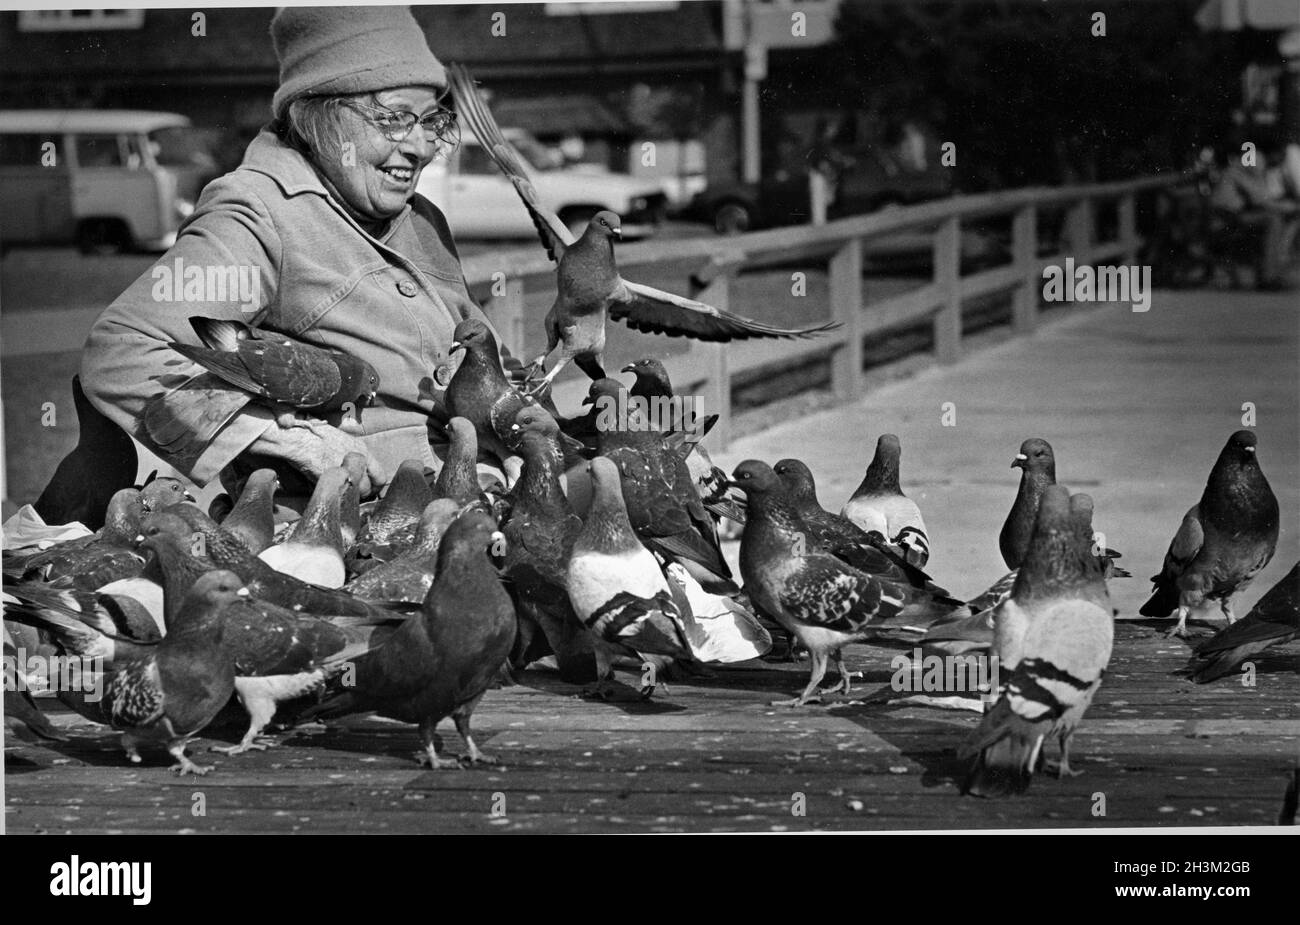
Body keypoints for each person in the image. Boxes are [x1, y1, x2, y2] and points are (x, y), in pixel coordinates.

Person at [80, 6, 522, 503]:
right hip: (358, 529)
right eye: (397, 119)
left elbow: (483, 361)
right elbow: (123, 351)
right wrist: (295, 441)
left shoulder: (420, 218)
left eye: (430, 121)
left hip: (479, 491)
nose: (421, 146)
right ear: (322, 117)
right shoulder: (260, 213)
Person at [1210, 139, 1300, 289]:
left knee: (1272, 217)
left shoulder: (1250, 163)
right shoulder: (1254, 161)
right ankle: (1269, 276)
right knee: (1273, 220)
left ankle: (1271, 270)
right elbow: (1262, 200)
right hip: (1226, 216)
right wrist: (1290, 208)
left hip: (1232, 213)